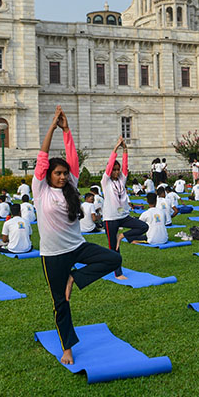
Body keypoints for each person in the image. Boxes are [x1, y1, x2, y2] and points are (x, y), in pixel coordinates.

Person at [35, 106, 120, 365]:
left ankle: (75, 277)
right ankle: (68, 348)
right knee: (61, 303)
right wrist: (51, 127)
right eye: (57, 174)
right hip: (53, 255)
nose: (61, 177)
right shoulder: (40, 190)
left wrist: (67, 130)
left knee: (114, 259)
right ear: (48, 175)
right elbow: (42, 155)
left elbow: (72, 157)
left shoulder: (71, 186)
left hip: (77, 247)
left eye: (64, 173)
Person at [101, 136, 148, 280]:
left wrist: (125, 149)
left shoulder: (122, 179)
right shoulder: (105, 181)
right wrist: (115, 148)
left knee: (143, 226)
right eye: (114, 170)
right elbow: (109, 166)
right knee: (114, 247)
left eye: (117, 170)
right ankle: (118, 273)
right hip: (110, 218)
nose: (116, 172)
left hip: (123, 216)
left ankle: (123, 236)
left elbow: (126, 165)